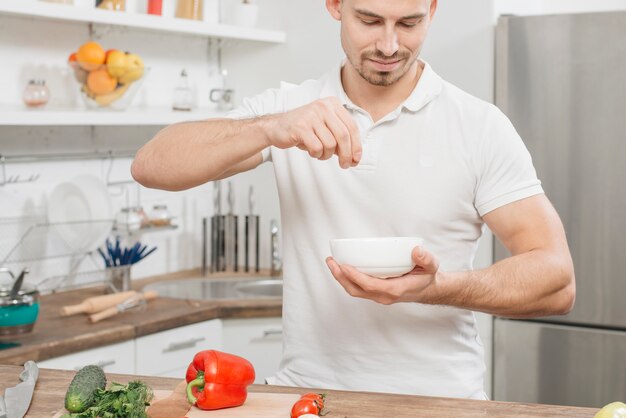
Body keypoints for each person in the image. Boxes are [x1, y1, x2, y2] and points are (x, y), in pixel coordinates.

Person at [131, 0, 575, 400]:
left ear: (433, 11)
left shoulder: (479, 126)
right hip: (306, 396)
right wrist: (269, 128)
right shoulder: (292, 110)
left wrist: (438, 289)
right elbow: (151, 165)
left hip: (439, 401)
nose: (388, 44)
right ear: (335, 5)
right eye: (369, 20)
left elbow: (556, 279)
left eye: (409, 23)